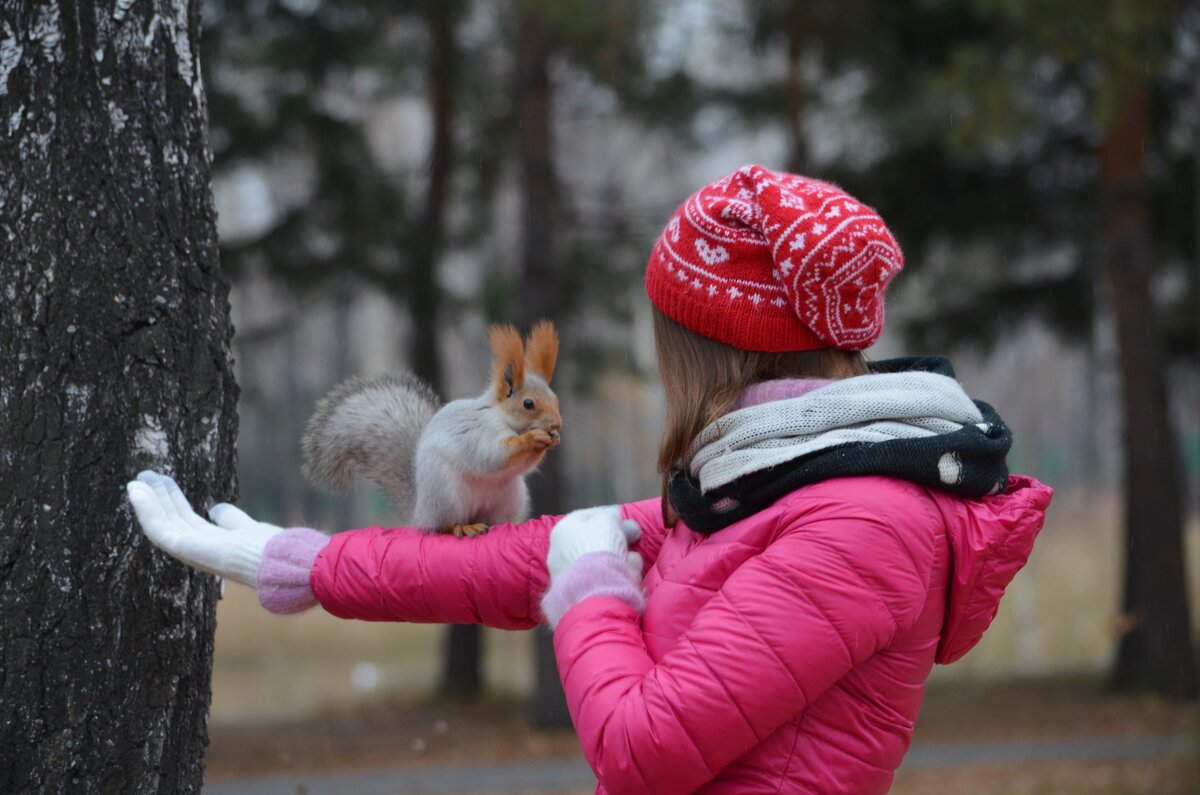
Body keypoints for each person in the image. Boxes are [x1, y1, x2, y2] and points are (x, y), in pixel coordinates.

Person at [128, 164, 1052, 795]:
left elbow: (643, 749)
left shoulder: (859, 525)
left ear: (703, 346)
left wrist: (591, 591)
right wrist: (290, 562)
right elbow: (501, 559)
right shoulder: (759, 486)